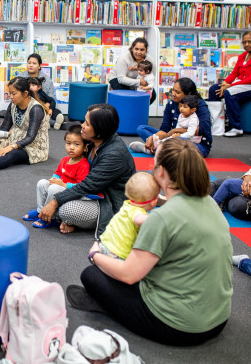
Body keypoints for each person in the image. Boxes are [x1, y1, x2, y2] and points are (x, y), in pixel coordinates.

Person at [69, 139, 232, 346]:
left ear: (161, 172)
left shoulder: (161, 219)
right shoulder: (209, 202)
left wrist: (95, 254)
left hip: (179, 326)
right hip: (218, 318)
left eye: (154, 164)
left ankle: (110, 307)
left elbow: (129, 275)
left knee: (91, 275)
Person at [38, 104, 136, 236]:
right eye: (84, 120)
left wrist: (54, 202)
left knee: (67, 210)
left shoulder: (114, 154)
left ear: (100, 131)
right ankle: (57, 216)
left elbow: (88, 186)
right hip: (92, 193)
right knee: (47, 186)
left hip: (108, 203)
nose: (82, 126)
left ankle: (66, 219)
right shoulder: (91, 142)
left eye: (87, 124)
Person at [0, 77, 50, 176]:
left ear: (25, 94)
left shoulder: (36, 109)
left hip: (33, 146)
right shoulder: (13, 105)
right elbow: (4, 127)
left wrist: (11, 147)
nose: (10, 96)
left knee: (13, 154)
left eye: (13, 94)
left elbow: (30, 137)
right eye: (10, 93)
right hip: (14, 139)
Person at [206, 31, 251, 137]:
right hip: (245, 83)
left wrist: (230, 86)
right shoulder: (243, 56)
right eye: (244, 42)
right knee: (214, 90)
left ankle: (236, 127)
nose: (247, 44)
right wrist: (225, 83)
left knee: (230, 93)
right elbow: (234, 73)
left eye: (250, 42)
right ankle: (217, 124)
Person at [24, 124, 90, 229]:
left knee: (54, 188)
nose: (71, 147)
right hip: (59, 186)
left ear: (85, 148)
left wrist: (64, 184)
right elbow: (58, 173)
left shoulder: (83, 164)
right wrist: (53, 179)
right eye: (68, 143)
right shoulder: (65, 159)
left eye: (76, 144)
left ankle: (51, 218)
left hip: (70, 192)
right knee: (42, 182)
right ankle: (40, 211)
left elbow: (81, 186)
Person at [131, 78, 212, 157]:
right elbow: (164, 130)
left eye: (177, 92)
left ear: (187, 95)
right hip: (172, 138)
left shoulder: (199, 105)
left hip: (196, 144)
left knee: (181, 142)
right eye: (173, 90)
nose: (173, 93)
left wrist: (175, 131)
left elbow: (203, 129)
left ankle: (154, 150)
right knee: (141, 129)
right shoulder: (171, 104)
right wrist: (153, 137)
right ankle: (160, 148)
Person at [97, 172, 160, 260]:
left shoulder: (127, 205)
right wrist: (159, 219)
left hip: (104, 244)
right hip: (117, 253)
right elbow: (138, 220)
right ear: (154, 201)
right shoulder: (136, 212)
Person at [107, 37, 156, 104]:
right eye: (136, 49)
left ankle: (139, 111)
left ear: (146, 50)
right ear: (132, 48)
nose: (138, 52)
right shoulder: (124, 58)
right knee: (127, 96)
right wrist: (139, 82)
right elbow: (121, 79)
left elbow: (151, 77)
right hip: (118, 79)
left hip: (138, 82)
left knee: (152, 95)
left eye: (142, 50)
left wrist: (147, 86)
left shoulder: (150, 61)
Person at [19, 53, 62, 124]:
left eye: (34, 63)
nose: (31, 65)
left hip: (43, 105)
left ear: (39, 66)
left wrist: (47, 106)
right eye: (29, 63)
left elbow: (51, 97)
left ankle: (55, 120)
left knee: (56, 112)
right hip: (26, 105)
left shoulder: (47, 80)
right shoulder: (20, 77)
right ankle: (52, 123)